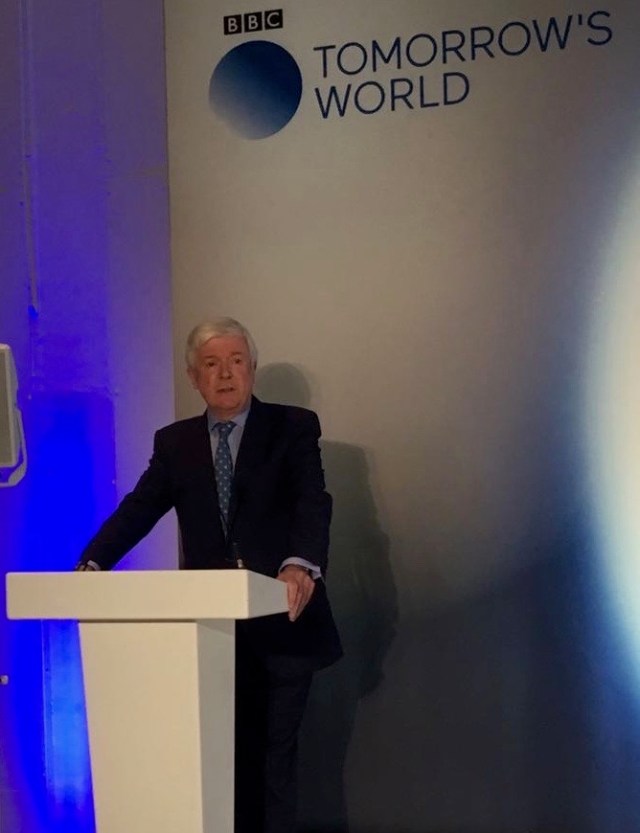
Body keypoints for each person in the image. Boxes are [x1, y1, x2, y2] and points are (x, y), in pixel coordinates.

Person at [75, 317, 342, 833]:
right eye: (212, 364)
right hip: (209, 637)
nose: (225, 374)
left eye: (236, 362)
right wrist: (92, 563)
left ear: (252, 369)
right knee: (221, 767)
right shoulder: (175, 443)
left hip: (284, 626)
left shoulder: (292, 427)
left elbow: (313, 501)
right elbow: (138, 509)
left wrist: (299, 563)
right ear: (194, 377)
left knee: (273, 765)